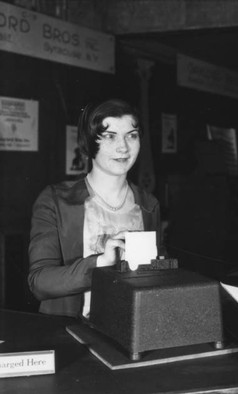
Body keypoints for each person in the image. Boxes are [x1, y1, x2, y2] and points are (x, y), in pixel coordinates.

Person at [28, 99, 161, 318]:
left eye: (132, 135)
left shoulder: (148, 204)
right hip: (71, 333)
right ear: (89, 142)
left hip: (132, 329)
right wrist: (100, 263)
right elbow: (39, 282)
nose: (123, 147)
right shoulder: (55, 200)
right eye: (109, 136)